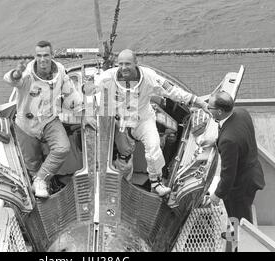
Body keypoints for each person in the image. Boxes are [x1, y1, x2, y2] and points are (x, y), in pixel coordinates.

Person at [87, 49, 209, 196]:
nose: (124, 68)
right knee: (124, 159)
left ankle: (156, 182)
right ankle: (121, 187)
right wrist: (88, 113)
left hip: (143, 119)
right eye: (121, 64)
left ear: (136, 63)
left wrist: (198, 101)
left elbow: (172, 91)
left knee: (154, 148)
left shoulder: (149, 77)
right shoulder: (108, 77)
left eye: (127, 64)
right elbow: (88, 90)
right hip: (121, 123)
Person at [4, 40, 95, 198]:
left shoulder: (59, 70)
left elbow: (70, 93)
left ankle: (41, 180)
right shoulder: (26, 73)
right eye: (39, 55)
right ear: (35, 56)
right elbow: (12, 80)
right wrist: (15, 73)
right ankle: (39, 185)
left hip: (49, 120)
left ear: (52, 55)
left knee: (62, 147)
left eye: (46, 55)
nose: (42, 59)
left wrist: (83, 113)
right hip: (26, 125)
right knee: (32, 164)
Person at [205, 91, 265, 223]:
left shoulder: (228, 141)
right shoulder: (242, 113)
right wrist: (217, 141)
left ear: (220, 111)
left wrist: (217, 195)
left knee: (240, 217)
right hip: (251, 173)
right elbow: (234, 133)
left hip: (240, 186)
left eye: (210, 108)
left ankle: (237, 241)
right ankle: (233, 234)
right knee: (238, 213)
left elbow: (228, 174)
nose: (208, 110)